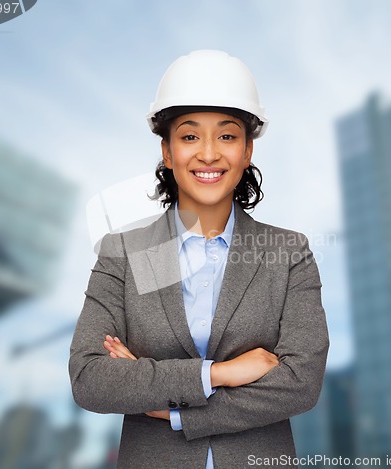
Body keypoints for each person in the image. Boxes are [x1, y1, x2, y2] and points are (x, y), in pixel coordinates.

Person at [69, 50, 329, 469]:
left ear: (247, 152)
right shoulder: (125, 254)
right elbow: (90, 380)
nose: (208, 154)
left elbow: (301, 383)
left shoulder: (289, 253)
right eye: (190, 136)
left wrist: (172, 410)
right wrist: (217, 374)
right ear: (167, 152)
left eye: (227, 136)